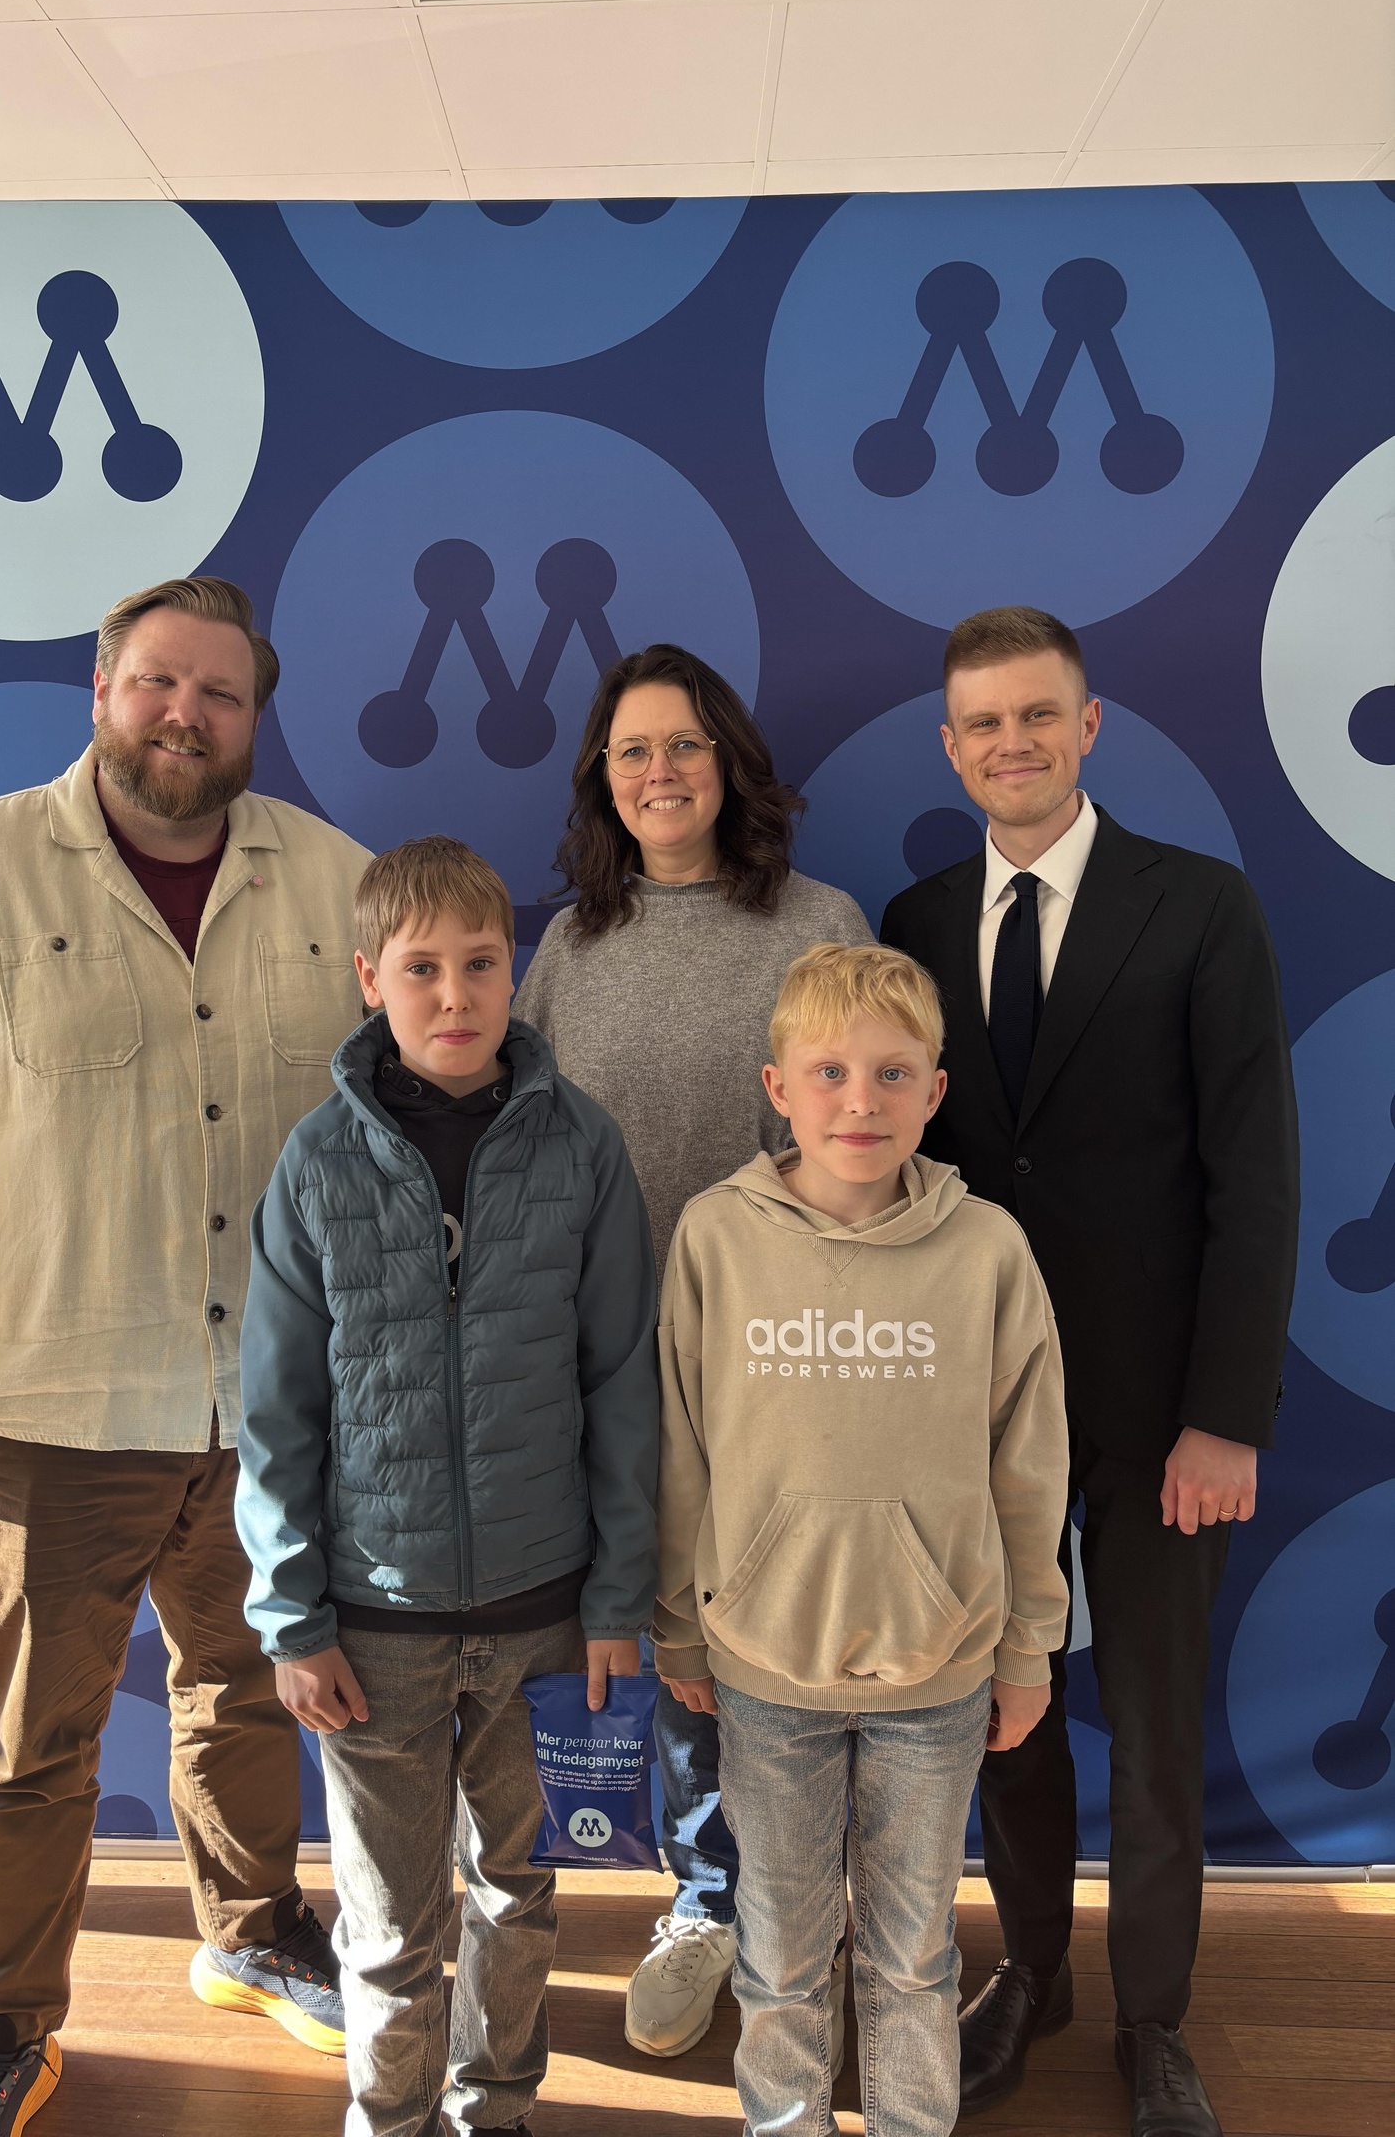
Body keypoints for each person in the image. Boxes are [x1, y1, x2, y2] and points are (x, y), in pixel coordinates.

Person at [0, 577, 373, 2137]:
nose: (185, 715)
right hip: (45, 1405)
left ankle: (255, 1933)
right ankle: (1, 2023)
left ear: (254, 719)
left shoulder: (337, 882)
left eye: (220, 693)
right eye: (157, 684)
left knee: (249, 1692)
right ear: (102, 693)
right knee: (29, 1745)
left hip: (268, 1410)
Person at [880, 606, 1299, 2137]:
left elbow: (1256, 1177)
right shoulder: (916, 921)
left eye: (1038, 714)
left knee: (1159, 1725)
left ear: (1089, 724)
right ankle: (1035, 1975)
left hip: (1158, 1416)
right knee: (1006, 1716)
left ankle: (1155, 2022)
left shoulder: (1199, 907)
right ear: (952, 748)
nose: (1014, 743)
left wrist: (1223, 1418)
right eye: (985, 722)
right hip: (969, 1415)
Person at [233, 835, 661, 2137]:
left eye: (481, 964)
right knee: (389, 1920)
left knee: (520, 1892)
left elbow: (622, 1384)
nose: (456, 996)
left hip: (545, 1618)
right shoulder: (317, 1163)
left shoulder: (583, 1147)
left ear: (514, 971)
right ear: (372, 979)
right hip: (375, 1631)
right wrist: (292, 1618)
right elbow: (276, 1413)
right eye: (422, 969)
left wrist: (616, 1599)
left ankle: (497, 2108)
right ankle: (391, 2117)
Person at [514, 643, 872, 2058]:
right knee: (681, 1644)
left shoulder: (817, 924)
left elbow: (861, 1143)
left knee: (796, 1641)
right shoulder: (568, 946)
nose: (659, 772)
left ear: (728, 761)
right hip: (614, 1368)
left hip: (785, 1357)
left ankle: (810, 1908)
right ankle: (708, 1899)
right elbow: (520, 1147)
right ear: (602, 780)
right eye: (631, 751)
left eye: (683, 744)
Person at [655, 941, 1069, 2137]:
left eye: (893, 1074)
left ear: (935, 1091)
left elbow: (1028, 1470)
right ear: (777, 1087)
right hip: (764, 1666)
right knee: (781, 1953)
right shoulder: (714, 1237)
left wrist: (1029, 1647)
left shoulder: (987, 1250)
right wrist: (678, 1622)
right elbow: (678, 1446)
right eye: (829, 1072)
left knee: (912, 1955)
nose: (860, 1102)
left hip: (938, 1672)